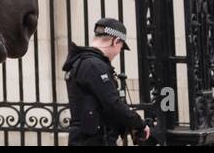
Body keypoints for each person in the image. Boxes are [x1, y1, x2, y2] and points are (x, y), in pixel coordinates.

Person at [63, 17, 151, 146]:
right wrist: (140, 124)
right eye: (120, 47)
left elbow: (103, 105)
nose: (118, 53)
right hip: (92, 140)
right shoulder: (93, 65)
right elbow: (112, 103)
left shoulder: (85, 62)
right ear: (116, 41)